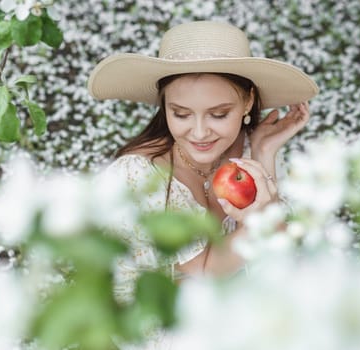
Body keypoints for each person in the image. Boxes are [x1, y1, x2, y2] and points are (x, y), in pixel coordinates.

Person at [88, 20, 318, 309]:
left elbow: (279, 249)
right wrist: (255, 223)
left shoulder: (246, 151)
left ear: (248, 102)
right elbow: (203, 272)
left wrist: (264, 151)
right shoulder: (139, 175)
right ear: (164, 105)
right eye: (181, 114)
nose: (199, 133)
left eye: (219, 114)